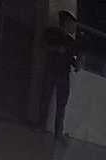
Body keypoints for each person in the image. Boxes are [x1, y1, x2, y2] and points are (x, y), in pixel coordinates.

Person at [41, 10, 80, 138]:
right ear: (66, 24)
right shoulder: (52, 33)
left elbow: (72, 57)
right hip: (51, 72)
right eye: (72, 25)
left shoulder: (71, 41)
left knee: (61, 105)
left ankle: (58, 132)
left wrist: (76, 64)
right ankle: (41, 126)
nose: (73, 28)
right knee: (45, 100)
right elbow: (43, 46)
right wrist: (57, 49)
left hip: (63, 75)